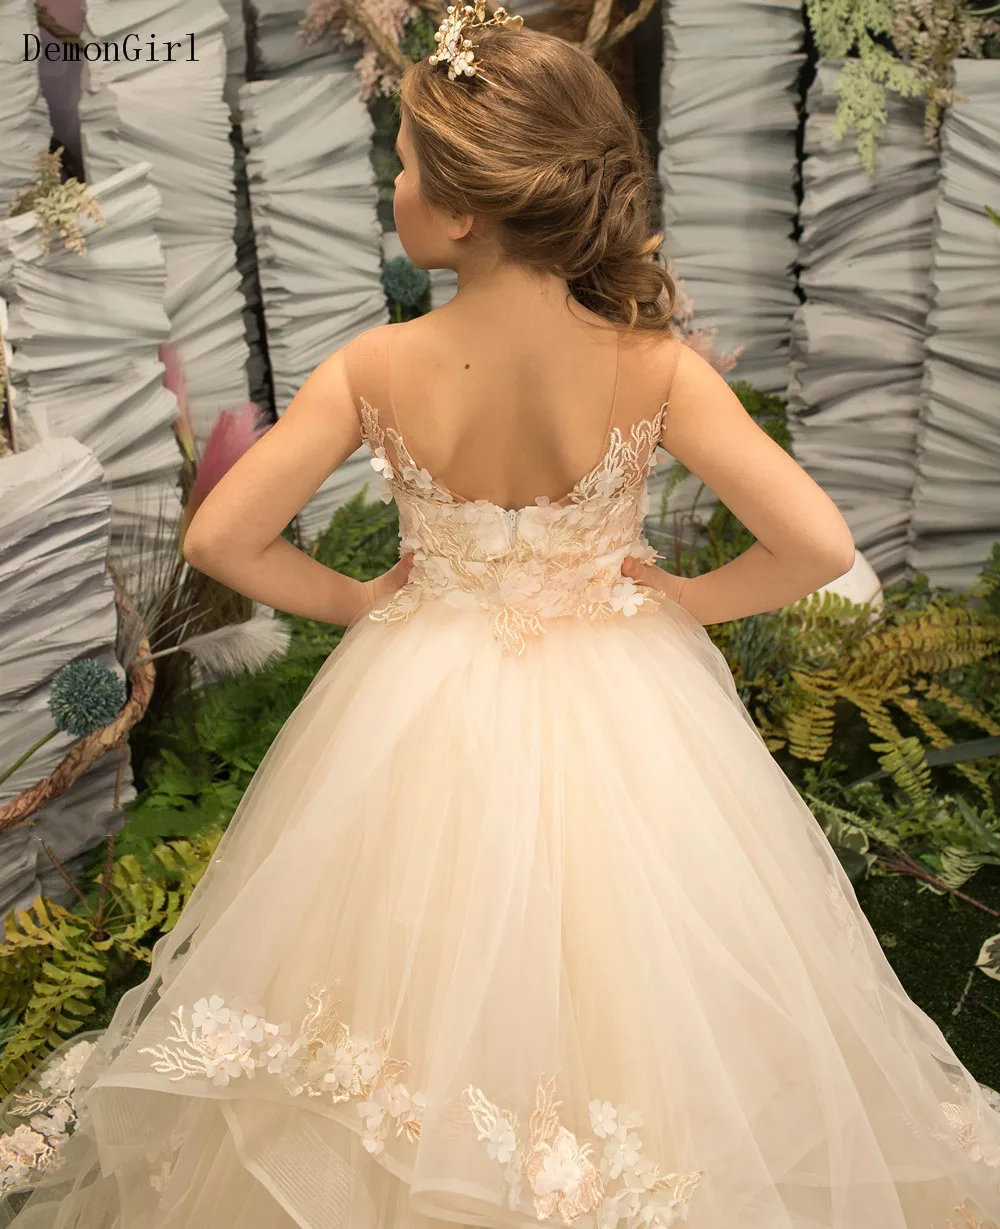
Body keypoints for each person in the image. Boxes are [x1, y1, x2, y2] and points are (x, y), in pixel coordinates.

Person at [4, 8, 1000, 1229]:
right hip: (624, 694)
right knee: (639, 972)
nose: (396, 190)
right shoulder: (652, 365)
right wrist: (687, 598)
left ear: (466, 211)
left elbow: (219, 539)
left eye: (408, 167)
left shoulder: (377, 366)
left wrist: (359, 602)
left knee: (397, 953)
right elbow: (815, 542)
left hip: (418, 695)